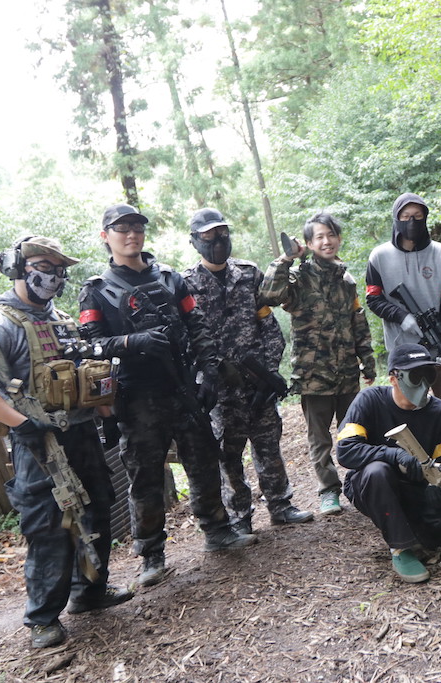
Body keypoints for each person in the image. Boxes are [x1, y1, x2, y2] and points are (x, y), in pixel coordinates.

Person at [0, 235, 133, 648]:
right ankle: (42, 619)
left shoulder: (60, 319)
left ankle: (90, 592)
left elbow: (80, 372)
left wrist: (105, 411)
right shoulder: (0, 324)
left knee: (97, 508)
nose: (52, 276)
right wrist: (23, 425)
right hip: (38, 445)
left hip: (81, 433)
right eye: (43, 266)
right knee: (49, 526)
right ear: (18, 268)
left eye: (59, 269)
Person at [79, 204, 255, 590]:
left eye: (137, 227)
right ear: (106, 236)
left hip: (183, 388)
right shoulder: (97, 290)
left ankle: (217, 530)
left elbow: (197, 326)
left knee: (204, 461)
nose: (131, 235)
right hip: (136, 398)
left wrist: (208, 373)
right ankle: (151, 553)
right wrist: (131, 342)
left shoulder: (171, 279)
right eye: (122, 229)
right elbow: (89, 346)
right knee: (145, 475)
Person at [182, 208, 313, 533]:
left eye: (222, 232)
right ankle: (240, 516)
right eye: (208, 235)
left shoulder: (248, 273)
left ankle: (281, 505)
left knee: (269, 444)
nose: (217, 240)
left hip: (258, 382)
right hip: (219, 389)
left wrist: (268, 372)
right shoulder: (185, 284)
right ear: (195, 240)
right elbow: (186, 339)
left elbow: (268, 325)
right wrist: (209, 375)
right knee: (228, 454)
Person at [261, 213, 377, 516]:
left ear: (338, 239)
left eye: (331, 235)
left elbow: (358, 322)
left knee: (355, 431)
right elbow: (269, 295)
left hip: (347, 372)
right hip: (313, 374)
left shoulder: (347, 281)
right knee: (320, 438)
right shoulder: (298, 278)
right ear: (310, 244)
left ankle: (363, 485)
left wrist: (367, 361)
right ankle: (328, 490)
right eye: (319, 237)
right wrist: (286, 259)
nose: (327, 241)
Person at [336, 343, 441, 583]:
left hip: (415, 487)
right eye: (415, 376)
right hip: (371, 485)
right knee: (378, 471)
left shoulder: (438, 411)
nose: (423, 384)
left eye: (428, 375)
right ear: (394, 378)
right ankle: (400, 548)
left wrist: (437, 489)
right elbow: (346, 450)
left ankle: (413, 532)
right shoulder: (369, 400)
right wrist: (393, 455)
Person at [366, 192, 441, 404]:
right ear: (396, 218)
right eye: (406, 216)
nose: (412, 222)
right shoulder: (379, 256)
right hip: (402, 351)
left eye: (418, 216)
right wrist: (402, 317)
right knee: (409, 407)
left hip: (439, 346)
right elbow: (373, 299)